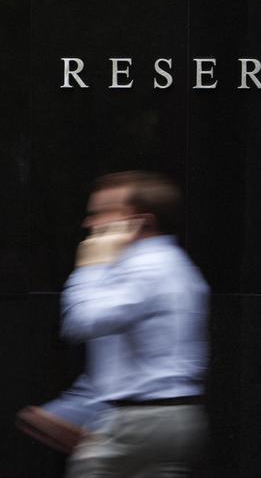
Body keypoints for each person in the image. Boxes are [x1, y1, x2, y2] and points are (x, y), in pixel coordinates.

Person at [61, 171, 209, 477]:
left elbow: (82, 321)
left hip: (138, 422)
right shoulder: (177, 265)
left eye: (101, 213)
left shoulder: (143, 268)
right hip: (178, 417)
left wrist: (90, 267)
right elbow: (125, 357)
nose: (90, 224)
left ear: (140, 222)